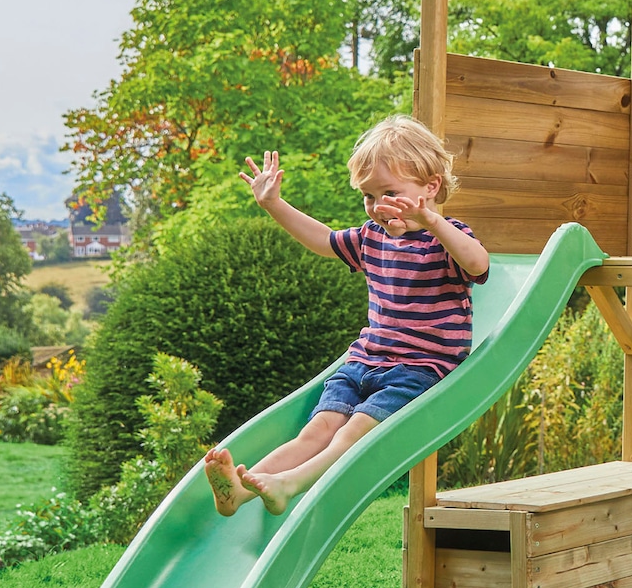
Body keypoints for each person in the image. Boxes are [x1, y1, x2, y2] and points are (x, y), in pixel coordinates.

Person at [201, 116, 490, 518]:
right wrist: (273, 203)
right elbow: (322, 239)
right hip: (363, 362)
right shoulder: (371, 239)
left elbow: (477, 264)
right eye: (368, 197)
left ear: (431, 187)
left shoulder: (446, 239)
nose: (376, 206)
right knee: (316, 431)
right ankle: (239, 492)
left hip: (418, 370)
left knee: (352, 432)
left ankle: (288, 485)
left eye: (389, 193)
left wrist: (432, 221)